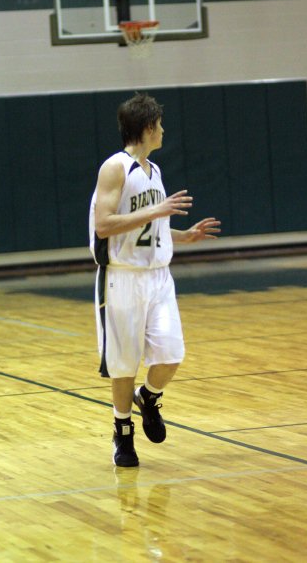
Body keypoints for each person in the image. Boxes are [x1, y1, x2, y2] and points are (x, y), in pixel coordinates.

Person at [89, 92, 221, 467]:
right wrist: (156, 209)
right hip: (122, 278)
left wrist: (184, 235)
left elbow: (150, 227)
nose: (163, 130)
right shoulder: (115, 168)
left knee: (171, 355)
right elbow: (103, 225)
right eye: (159, 125)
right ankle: (122, 433)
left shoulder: (154, 171)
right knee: (123, 364)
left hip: (159, 277)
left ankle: (148, 396)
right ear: (147, 127)